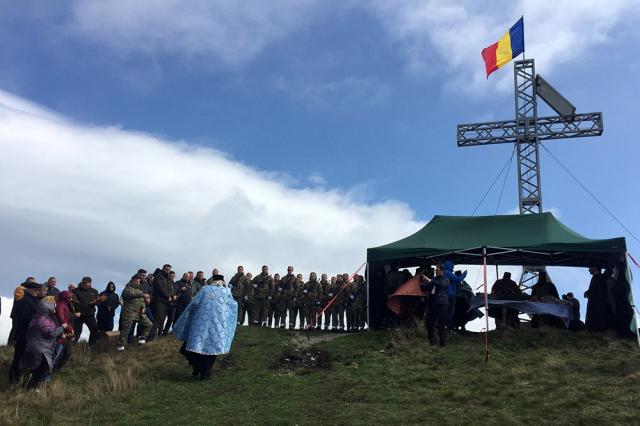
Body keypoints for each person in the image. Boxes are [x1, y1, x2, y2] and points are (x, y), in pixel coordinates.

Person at [173, 274, 238, 381]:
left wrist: (189, 316)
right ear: (222, 282)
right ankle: (205, 374)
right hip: (218, 325)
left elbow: (194, 304)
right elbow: (233, 307)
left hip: (200, 322)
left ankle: (197, 366)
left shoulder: (205, 289)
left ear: (213, 281)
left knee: (196, 346)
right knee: (212, 350)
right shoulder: (226, 292)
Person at [20, 299, 71, 389]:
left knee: (35, 368)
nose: (54, 310)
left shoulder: (37, 318)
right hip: (41, 350)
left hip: (34, 347)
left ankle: (28, 386)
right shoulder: (44, 321)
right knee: (40, 369)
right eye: (52, 308)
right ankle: (31, 388)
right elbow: (51, 334)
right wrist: (62, 327)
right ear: (46, 309)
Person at [9, 281, 42, 383]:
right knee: (19, 356)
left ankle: (22, 377)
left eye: (39, 290)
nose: (38, 292)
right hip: (23, 334)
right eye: (37, 290)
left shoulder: (35, 300)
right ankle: (14, 377)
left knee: (26, 357)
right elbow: (25, 318)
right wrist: (39, 320)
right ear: (30, 290)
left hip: (32, 335)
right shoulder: (23, 301)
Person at [117, 274, 153, 351]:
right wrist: (143, 295)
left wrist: (143, 308)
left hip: (139, 314)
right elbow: (130, 294)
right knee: (125, 331)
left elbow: (143, 301)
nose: (137, 283)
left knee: (149, 324)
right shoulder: (127, 288)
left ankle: (142, 339)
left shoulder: (139, 290)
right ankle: (120, 347)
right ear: (132, 280)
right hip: (129, 314)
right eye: (136, 281)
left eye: (138, 282)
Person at [420, 263, 450, 347]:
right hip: (432, 303)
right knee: (428, 323)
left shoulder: (446, 279)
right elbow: (424, 289)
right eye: (436, 270)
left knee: (441, 324)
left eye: (437, 270)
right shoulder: (433, 279)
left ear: (442, 271)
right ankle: (432, 341)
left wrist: (430, 280)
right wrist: (422, 282)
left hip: (442, 304)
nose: (436, 271)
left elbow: (442, 285)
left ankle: (442, 344)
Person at [73, 277, 102, 345]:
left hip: (90, 314)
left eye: (86, 282)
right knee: (76, 332)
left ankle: (91, 346)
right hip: (78, 315)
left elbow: (97, 302)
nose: (84, 284)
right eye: (83, 282)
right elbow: (73, 302)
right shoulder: (76, 291)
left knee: (94, 330)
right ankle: (72, 347)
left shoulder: (94, 291)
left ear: (90, 283)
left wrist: (99, 301)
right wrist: (75, 311)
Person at [610, 261, 634, 337]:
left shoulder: (622, 280)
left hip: (623, 305)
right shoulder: (623, 279)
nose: (613, 271)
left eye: (615, 269)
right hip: (622, 305)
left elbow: (620, 290)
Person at [150, 264, 173, 339]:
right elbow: (160, 288)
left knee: (162, 319)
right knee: (158, 318)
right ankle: (150, 338)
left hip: (165, 302)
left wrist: (170, 297)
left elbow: (169, 289)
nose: (168, 271)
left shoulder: (167, 278)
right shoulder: (159, 276)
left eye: (169, 270)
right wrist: (167, 296)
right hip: (159, 301)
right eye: (166, 269)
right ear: (163, 269)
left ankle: (155, 336)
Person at [443, 261, 467, 331]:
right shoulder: (447, 272)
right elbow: (458, 279)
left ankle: (445, 327)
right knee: (450, 312)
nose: (453, 268)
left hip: (445, 295)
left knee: (445, 312)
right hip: (450, 295)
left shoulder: (444, 272)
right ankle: (450, 329)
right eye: (452, 266)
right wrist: (464, 275)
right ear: (449, 266)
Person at [54, 290, 75, 369]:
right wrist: (70, 330)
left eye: (71, 297)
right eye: (69, 297)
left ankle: (56, 370)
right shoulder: (60, 306)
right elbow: (62, 320)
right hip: (62, 333)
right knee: (58, 353)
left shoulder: (68, 305)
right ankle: (50, 372)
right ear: (64, 297)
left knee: (67, 353)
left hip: (68, 333)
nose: (71, 299)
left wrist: (72, 332)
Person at [584, 266, 609, 332]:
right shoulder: (599, 277)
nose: (589, 270)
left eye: (590, 267)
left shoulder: (598, 277)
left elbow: (596, 290)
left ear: (595, 267)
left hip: (597, 304)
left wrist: (588, 293)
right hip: (597, 303)